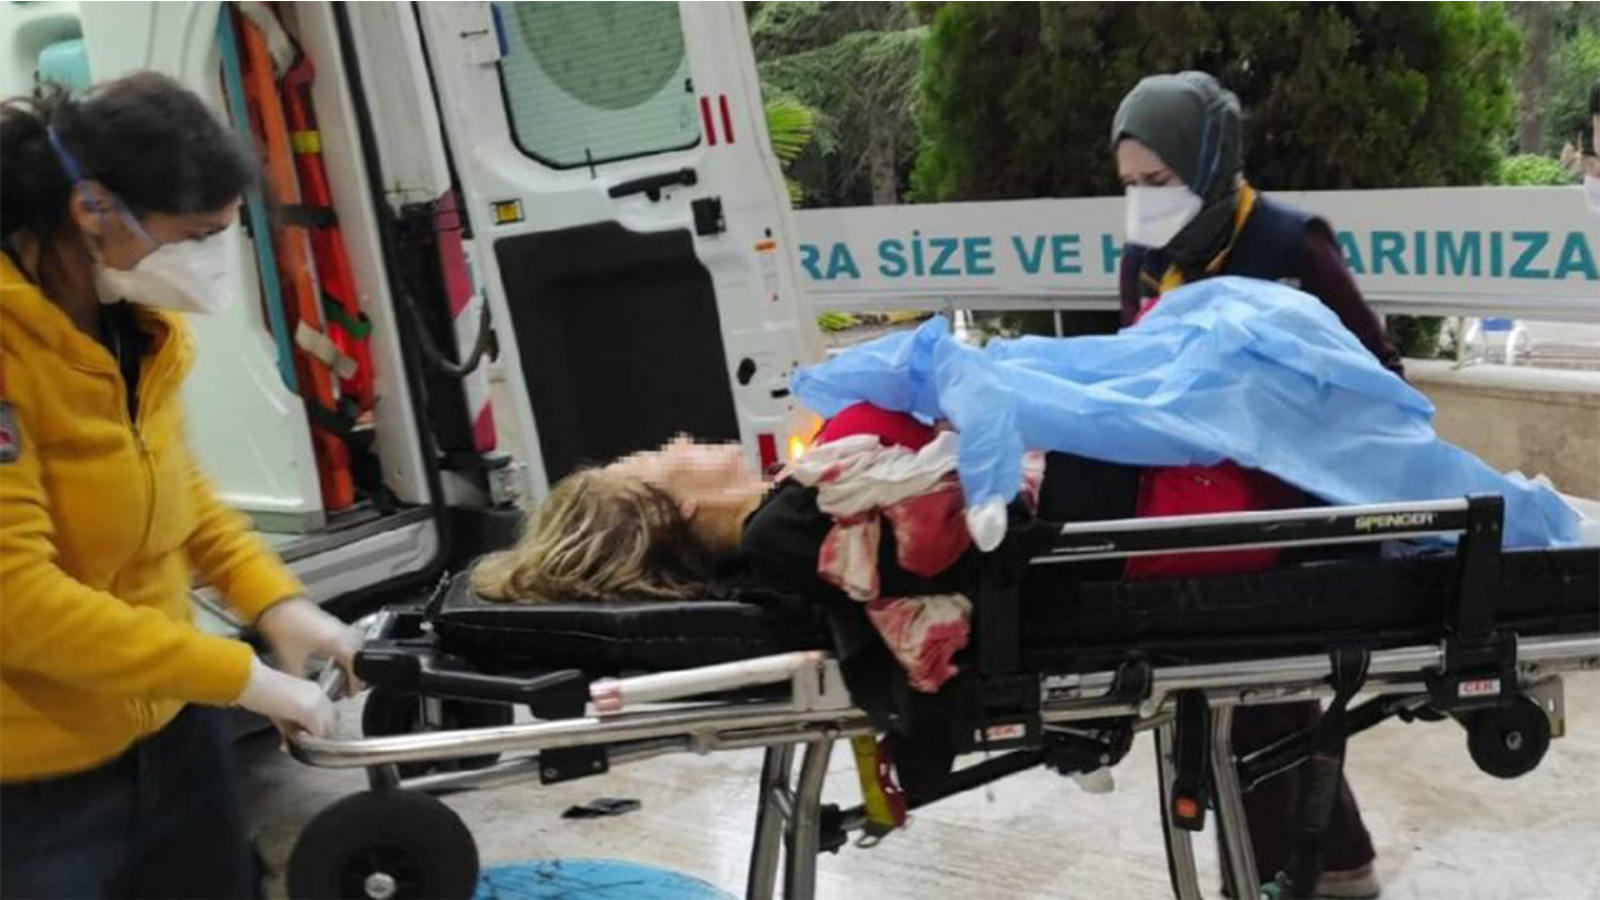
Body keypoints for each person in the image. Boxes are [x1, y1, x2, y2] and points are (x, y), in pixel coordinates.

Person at [1, 74, 360, 899]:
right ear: (93, 209)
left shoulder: (135, 331)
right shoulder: (12, 351)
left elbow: (179, 491)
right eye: (197, 237)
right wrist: (240, 677)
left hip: (170, 736)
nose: (211, 264)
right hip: (32, 785)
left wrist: (276, 603)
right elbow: (17, 601)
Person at [1112, 71, 1384, 899]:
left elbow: (1376, 374)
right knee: (1225, 707)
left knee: (1260, 702)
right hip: (1196, 512)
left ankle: (1308, 869)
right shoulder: (1146, 258)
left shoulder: (1290, 245)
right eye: (1129, 184)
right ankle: (1310, 862)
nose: (1143, 201)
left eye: (1158, 180)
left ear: (1209, 160)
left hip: (1292, 507)